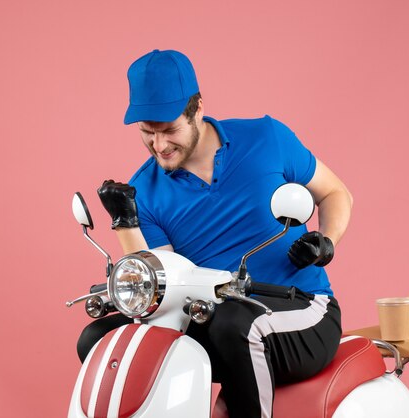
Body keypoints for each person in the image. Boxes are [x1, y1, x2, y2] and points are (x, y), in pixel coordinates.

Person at [77, 49, 353, 418]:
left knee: (234, 323)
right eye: (147, 133)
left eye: (169, 130)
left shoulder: (266, 138)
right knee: (101, 340)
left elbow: (336, 193)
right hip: (211, 317)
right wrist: (125, 222)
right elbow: (159, 289)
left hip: (301, 308)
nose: (159, 146)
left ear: (198, 109)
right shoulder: (145, 191)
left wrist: (327, 240)